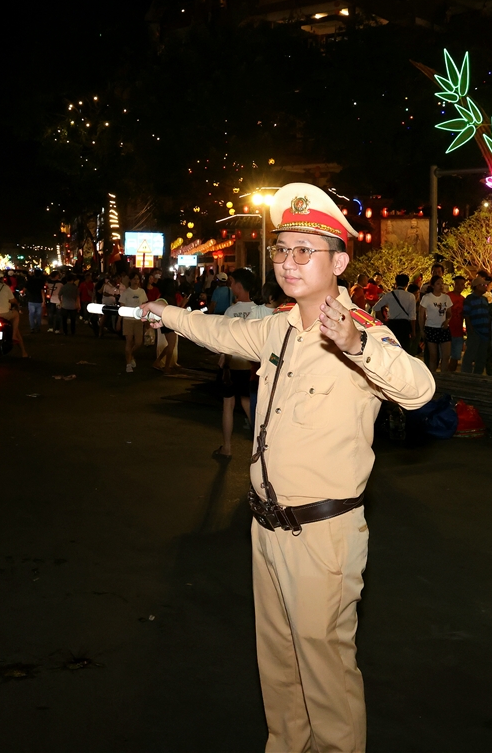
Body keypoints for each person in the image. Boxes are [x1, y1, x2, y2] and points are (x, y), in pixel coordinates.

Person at [139, 183, 434, 753]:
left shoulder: (364, 332)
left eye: (306, 249)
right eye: (282, 250)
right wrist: (167, 313)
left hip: (323, 534)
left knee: (326, 679)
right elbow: (223, 331)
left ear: (339, 261)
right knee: (277, 670)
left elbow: (420, 391)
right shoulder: (278, 326)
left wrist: (355, 344)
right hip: (265, 527)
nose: (290, 261)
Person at [214, 269, 271, 459]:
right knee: (250, 404)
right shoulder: (259, 311)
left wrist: (224, 360)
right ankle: (262, 447)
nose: (231, 286)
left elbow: (225, 340)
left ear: (238, 286)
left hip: (235, 364)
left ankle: (227, 447)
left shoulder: (231, 311)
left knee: (228, 405)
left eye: (232, 283)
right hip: (253, 366)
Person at [373, 274, 417, 355]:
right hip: (405, 326)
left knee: (392, 349)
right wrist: (413, 331)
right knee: (404, 350)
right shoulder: (411, 296)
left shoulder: (390, 295)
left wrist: (383, 321)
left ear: (396, 283)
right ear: (407, 284)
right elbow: (412, 316)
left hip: (392, 324)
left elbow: (376, 307)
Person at [460, 272, 492, 374]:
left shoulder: (484, 299)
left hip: (484, 332)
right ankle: (466, 375)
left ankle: (477, 376)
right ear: (476, 287)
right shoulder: (469, 299)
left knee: (482, 357)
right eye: (483, 285)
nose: (485, 287)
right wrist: (471, 330)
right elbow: (466, 315)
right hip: (475, 331)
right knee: (470, 354)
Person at [418, 276, 453, 372]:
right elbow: (421, 314)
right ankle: (432, 377)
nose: (440, 286)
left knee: (446, 356)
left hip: (444, 328)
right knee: (433, 356)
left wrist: (447, 320)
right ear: (432, 285)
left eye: (442, 283)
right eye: (438, 283)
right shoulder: (427, 297)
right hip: (431, 328)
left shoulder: (446, 297)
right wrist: (421, 329)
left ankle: (443, 377)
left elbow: (449, 312)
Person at [120, 272, 149, 372]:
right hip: (128, 319)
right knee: (129, 341)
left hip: (138, 320)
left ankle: (130, 355)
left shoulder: (142, 292)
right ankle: (128, 364)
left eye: (137, 279)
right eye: (134, 279)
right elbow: (122, 307)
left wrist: (146, 321)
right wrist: (119, 321)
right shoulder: (126, 292)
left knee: (138, 342)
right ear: (130, 280)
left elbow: (145, 306)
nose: (136, 281)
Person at [446, 275, 467, 372]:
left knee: (456, 356)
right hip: (447, 330)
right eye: (457, 284)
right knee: (445, 356)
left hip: (458, 331)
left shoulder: (463, 299)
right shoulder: (448, 296)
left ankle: (450, 375)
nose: (460, 286)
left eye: (462, 284)